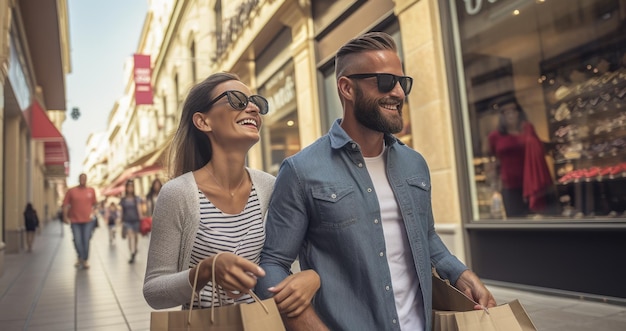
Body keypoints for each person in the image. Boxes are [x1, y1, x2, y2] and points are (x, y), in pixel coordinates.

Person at [257, 32, 496, 331]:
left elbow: (427, 236)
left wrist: (462, 275)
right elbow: (272, 264)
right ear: (347, 88)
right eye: (385, 82)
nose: (398, 92)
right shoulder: (301, 170)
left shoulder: (414, 164)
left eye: (402, 82)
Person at [143, 72, 320, 317]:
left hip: (264, 322)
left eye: (255, 103)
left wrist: (312, 276)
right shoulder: (177, 194)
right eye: (237, 100)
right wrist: (206, 270)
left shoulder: (270, 186)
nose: (252, 109)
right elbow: (153, 291)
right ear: (203, 122)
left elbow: (288, 258)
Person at [487, 95, 556, 217]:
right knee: (515, 219)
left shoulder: (528, 129)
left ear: (519, 112)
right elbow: (493, 160)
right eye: (506, 112)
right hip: (510, 186)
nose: (511, 115)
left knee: (538, 218)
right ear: (501, 116)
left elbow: (537, 150)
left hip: (532, 182)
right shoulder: (495, 136)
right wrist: (494, 186)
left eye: (514, 110)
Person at [63, 173, 98, 269]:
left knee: (86, 240)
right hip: (75, 220)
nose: (83, 179)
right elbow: (65, 204)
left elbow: (95, 204)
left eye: (84, 178)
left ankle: (84, 260)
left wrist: (94, 213)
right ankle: (80, 257)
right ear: (78, 179)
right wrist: (65, 216)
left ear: (86, 179)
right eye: (81, 178)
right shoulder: (71, 191)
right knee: (77, 240)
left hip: (88, 221)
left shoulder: (91, 190)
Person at [120, 179, 143, 263]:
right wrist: (120, 220)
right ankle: (132, 253)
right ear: (126, 188)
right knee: (130, 237)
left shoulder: (136, 198)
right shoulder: (123, 199)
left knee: (136, 237)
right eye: (128, 187)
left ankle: (135, 249)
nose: (130, 188)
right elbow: (122, 211)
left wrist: (141, 218)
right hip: (127, 221)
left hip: (136, 220)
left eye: (131, 187)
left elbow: (139, 208)